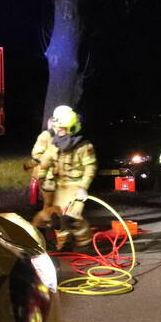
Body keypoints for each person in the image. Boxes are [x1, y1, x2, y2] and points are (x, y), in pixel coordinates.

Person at [32, 105, 97, 250]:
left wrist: (83, 187)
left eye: (63, 129)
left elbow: (90, 168)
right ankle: (60, 244)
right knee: (50, 219)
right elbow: (45, 161)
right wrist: (43, 178)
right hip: (59, 187)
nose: (60, 131)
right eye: (58, 128)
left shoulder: (84, 146)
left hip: (76, 187)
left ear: (72, 128)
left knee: (73, 218)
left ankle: (85, 245)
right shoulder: (55, 144)